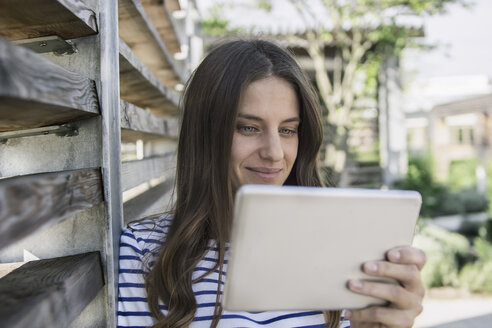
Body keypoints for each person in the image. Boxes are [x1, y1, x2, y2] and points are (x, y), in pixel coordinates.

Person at [117, 39, 426, 328]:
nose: (274, 152)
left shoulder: (342, 249)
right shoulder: (145, 252)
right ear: (205, 135)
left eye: (288, 130)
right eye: (249, 127)